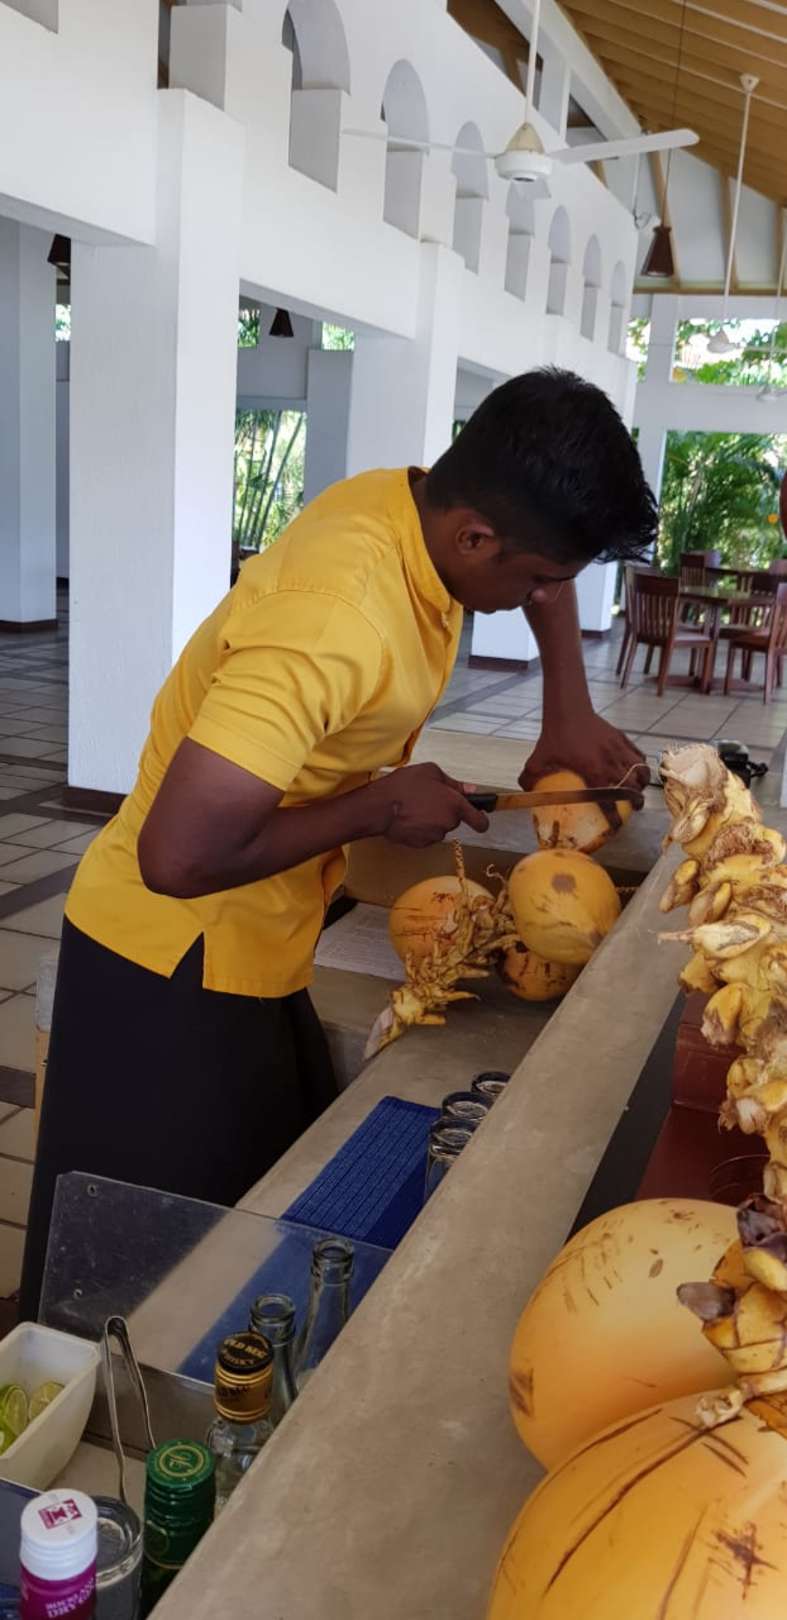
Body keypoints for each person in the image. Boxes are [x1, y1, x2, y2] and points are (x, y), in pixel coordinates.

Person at [19, 369, 656, 1316]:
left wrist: (564, 706)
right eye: (532, 578)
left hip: (266, 929)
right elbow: (176, 857)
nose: (542, 595)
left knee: (273, 1190)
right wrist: (375, 809)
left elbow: (543, 571)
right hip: (171, 954)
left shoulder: (412, 507)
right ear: (474, 537)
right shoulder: (334, 617)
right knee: (138, 1280)